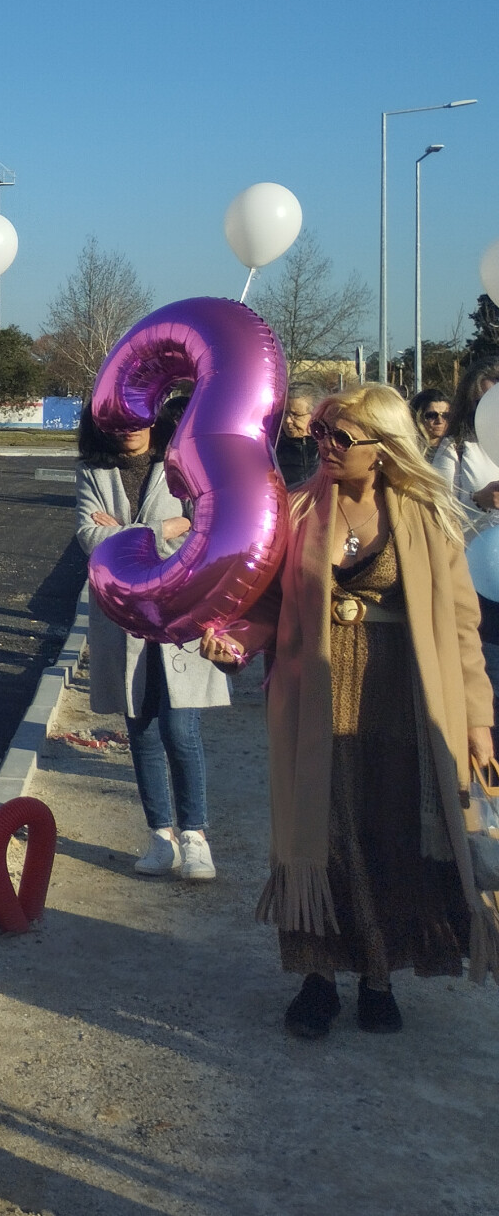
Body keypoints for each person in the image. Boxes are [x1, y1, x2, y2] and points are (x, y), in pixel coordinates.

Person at [208, 385, 496, 1039]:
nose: (325, 444)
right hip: (313, 695)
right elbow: (262, 606)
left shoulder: (427, 513)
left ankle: (378, 975)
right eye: (322, 433)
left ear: (384, 446)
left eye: (342, 436)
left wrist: (477, 722)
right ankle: (319, 978)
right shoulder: (297, 506)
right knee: (324, 834)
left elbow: (460, 626)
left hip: (403, 696)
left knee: (390, 828)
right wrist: (234, 642)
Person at [75, 404, 226, 881]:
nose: (130, 432)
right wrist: (163, 529)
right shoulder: (93, 471)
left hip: (179, 612)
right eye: (119, 424)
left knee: (181, 731)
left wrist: (121, 534)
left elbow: (202, 535)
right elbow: (89, 539)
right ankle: (160, 835)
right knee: (139, 730)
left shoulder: (183, 467)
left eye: (138, 421)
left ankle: (195, 836)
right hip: (123, 616)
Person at [429, 356, 499, 686]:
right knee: (486, 677)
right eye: (484, 400)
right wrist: (477, 501)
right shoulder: (456, 448)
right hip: (477, 582)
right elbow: (437, 513)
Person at [276, 384, 324, 491]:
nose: (287, 420)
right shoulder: (273, 447)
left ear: (316, 415)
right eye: (285, 413)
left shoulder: (329, 446)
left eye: (295, 414)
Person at [410, 388, 454, 455]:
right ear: (417, 417)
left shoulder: (456, 451)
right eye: (431, 415)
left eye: (445, 415)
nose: (440, 421)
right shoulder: (408, 452)